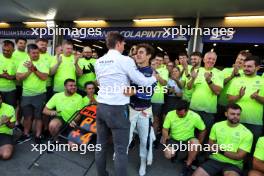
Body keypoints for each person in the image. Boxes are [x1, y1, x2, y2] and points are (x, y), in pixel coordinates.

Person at [94, 32, 157, 176]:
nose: (124, 47)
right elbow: (142, 81)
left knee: (100, 145)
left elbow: (99, 82)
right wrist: (154, 78)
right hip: (117, 109)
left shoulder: (98, 61)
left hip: (101, 107)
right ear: (118, 43)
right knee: (121, 150)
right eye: (123, 44)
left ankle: (101, 174)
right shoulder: (125, 60)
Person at [193, 104, 253, 176]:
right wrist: (213, 148)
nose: (235, 116)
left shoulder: (247, 133)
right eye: (232, 114)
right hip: (214, 160)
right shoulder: (217, 125)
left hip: (233, 165)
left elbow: (239, 156)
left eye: (238, 114)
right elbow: (210, 145)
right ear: (226, 114)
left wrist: (220, 150)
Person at [124, 43, 156, 176]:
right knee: (125, 138)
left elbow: (148, 94)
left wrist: (134, 91)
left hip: (144, 111)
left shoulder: (153, 73)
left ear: (149, 56)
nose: (138, 54)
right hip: (130, 109)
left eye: (141, 52)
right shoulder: (132, 70)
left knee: (144, 139)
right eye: (136, 52)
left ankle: (143, 163)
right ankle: (121, 161)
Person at [227, 55, 264, 148]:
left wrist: (257, 97)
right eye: (245, 66)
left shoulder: (263, 81)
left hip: (255, 123)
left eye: (249, 66)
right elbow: (229, 99)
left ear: (258, 67)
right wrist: (239, 96)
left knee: (252, 149)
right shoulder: (236, 80)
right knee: (233, 147)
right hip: (236, 121)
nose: (246, 68)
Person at [162, 99, 206, 176]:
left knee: (195, 144)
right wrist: (166, 139)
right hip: (174, 139)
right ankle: (177, 155)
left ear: (187, 110)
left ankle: (187, 165)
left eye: (181, 115)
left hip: (188, 139)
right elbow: (165, 129)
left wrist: (200, 143)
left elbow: (203, 130)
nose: (179, 115)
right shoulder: (170, 114)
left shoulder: (195, 116)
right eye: (177, 113)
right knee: (168, 154)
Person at [16, 44, 49, 144]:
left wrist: (33, 69)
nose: (36, 54)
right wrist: (29, 71)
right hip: (26, 94)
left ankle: (38, 135)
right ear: (28, 53)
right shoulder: (23, 63)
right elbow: (18, 78)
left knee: (39, 116)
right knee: (27, 116)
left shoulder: (44, 62)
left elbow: (44, 77)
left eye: (37, 52)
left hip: (40, 94)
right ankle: (26, 134)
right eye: (33, 53)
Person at [187, 51, 223, 132]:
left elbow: (218, 91)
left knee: (205, 132)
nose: (211, 61)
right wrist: (193, 78)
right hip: (194, 108)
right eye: (209, 58)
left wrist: (209, 81)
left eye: (213, 59)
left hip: (208, 111)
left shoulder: (219, 73)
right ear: (204, 60)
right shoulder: (197, 70)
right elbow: (189, 87)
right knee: (191, 132)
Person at [217, 51, 252, 121]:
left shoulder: (247, 73)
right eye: (238, 58)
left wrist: (237, 73)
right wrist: (232, 76)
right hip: (222, 104)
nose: (239, 61)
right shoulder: (226, 70)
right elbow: (219, 84)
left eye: (242, 59)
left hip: (236, 107)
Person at [0, 40, 17, 108]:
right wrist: (2, 75)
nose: (5, 52)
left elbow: (20, 75)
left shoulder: (17, 60)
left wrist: (11, 77)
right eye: (3, 50)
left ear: (13, 50)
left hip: (11, 91)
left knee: (10, 110)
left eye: (8, 50)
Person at [0, 92, 16, 160]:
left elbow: (12, 126)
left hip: (5, 134)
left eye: (0, 98)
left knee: (6, 155)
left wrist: (7, 122)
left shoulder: (9, 108)